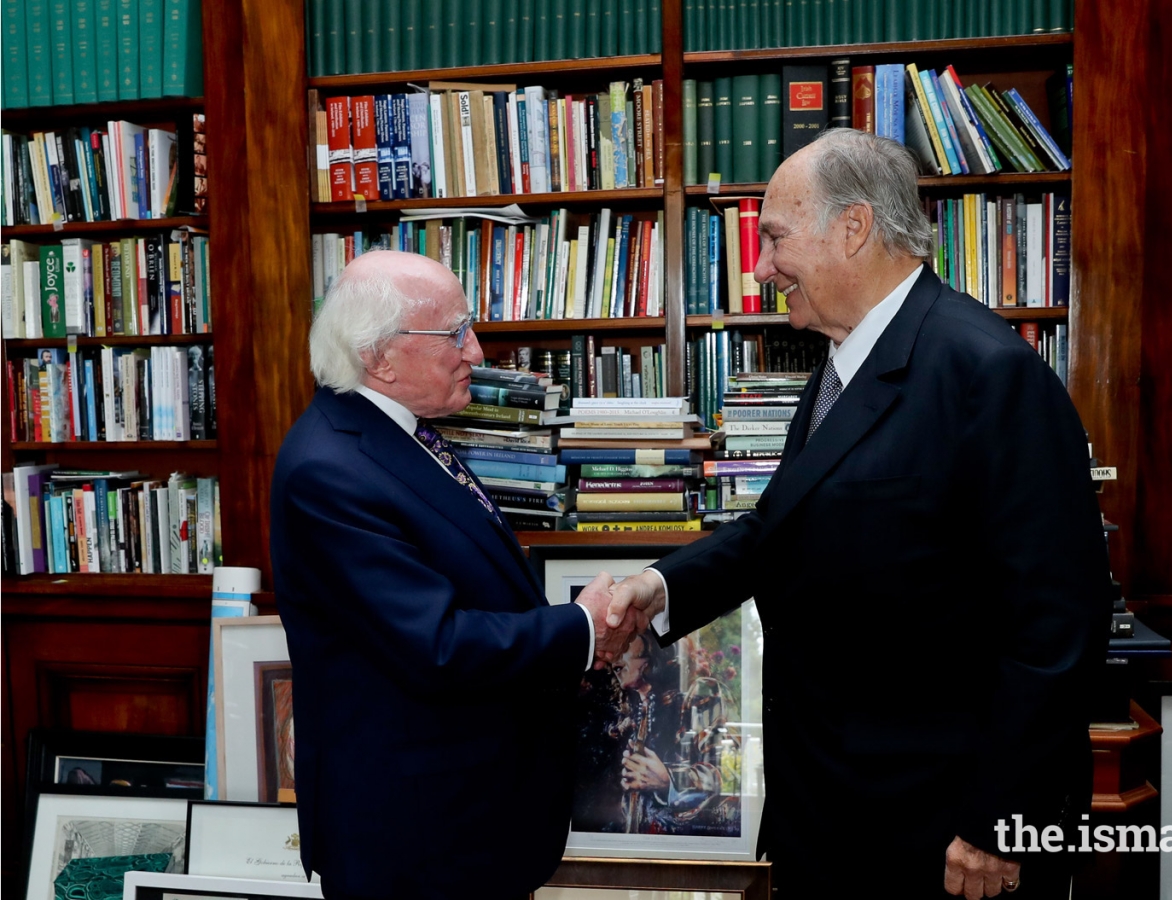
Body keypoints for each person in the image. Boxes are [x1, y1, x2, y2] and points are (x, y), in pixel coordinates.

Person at [602, 129, 1113, 899]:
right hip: (833, 810)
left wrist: (1000, 820)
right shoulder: (841, 368)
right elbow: (774, 531)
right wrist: (659, 589)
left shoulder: (988, 371)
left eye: (774, 238)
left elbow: (1058, 628)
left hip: (940, 832)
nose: (763, 267)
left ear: (853, 228)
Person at [270, 251, 638, 900]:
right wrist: (581, 629)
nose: (476, 348)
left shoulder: (399, 433)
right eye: (455, 332)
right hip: (413, 844)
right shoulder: (328, 470)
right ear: (379, 357)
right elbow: (435, 645)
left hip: (465, 825)